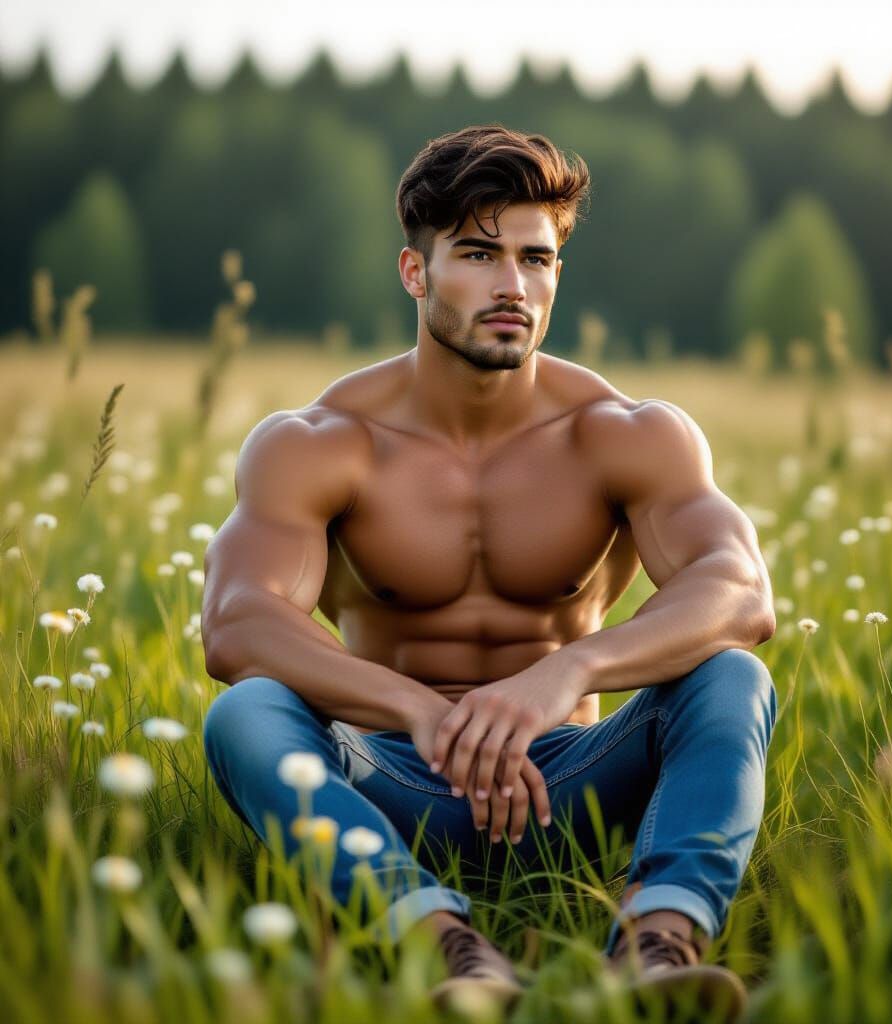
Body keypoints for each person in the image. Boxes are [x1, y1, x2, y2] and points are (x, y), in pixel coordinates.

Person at [201, 123, 777, 1018]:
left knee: (733, 677)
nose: (513, 285)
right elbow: (238, 625)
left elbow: (739, 589)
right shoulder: (321, 443)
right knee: (245, 713)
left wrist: (567, 673)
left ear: (557, 273)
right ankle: (445, 948)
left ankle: (657, 947)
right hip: (392, 788)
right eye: (478, 254)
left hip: (571, 788)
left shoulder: (623, 434)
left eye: (535, 259)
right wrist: (419, 711)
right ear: (415, 271)